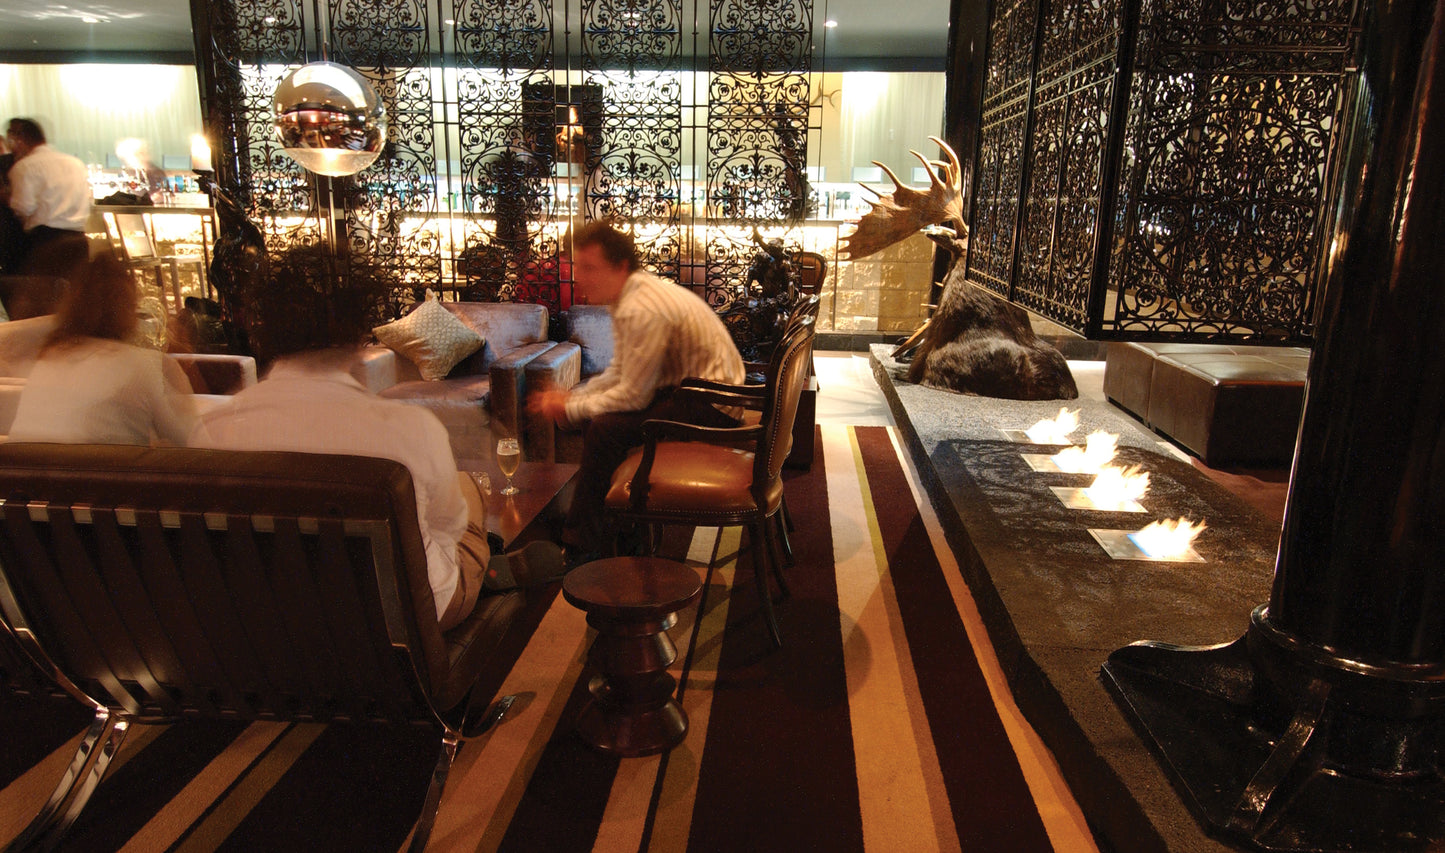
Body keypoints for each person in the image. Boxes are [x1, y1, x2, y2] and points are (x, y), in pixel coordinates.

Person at [191, 247, 557, 631]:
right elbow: (447, 526)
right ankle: (488, 572)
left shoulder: (211, 431)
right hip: (404, 618)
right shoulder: (405, 428)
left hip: (272, 620)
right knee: (464, 490)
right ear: (359, 332)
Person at [530, 221, 745, 560]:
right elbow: (621, 372)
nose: (579, 277)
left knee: (604, 429)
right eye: (576, 267)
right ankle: (614, 525)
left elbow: (634, 395)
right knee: (599, 419)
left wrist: (569, 408)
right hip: (700, 392)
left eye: (589, 268)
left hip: (713, 405)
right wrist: (576, 398)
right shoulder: (632, 295)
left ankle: (581, 546)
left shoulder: (639, 307)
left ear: (621, 267)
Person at [8, 252, 197, 446]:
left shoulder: (47, 358)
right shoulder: (146, 364)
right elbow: (189, 439)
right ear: (129, 307)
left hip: (21, 472)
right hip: (99, 473)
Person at [2, 118, 92, 279]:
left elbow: (23, 208)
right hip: (79, 241)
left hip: (47, 242)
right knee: (74, 298)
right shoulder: (75, 163)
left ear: (19, 140)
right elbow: (89, 200)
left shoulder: (25, 166)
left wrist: (5, 197)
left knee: (47, 298)